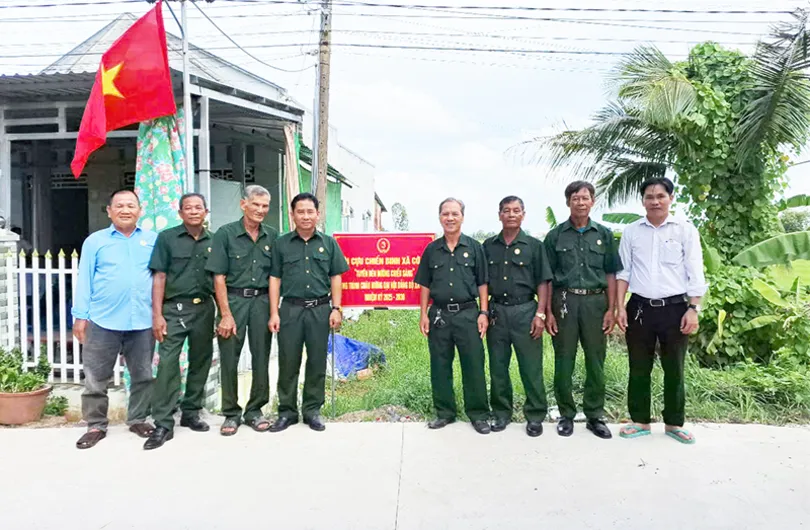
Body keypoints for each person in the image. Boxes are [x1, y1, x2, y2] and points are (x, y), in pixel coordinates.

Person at [616, 177, 707, 445]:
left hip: (675, 308)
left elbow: (695, 271)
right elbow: (624, 272)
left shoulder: (685, 230)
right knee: (638, 366)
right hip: (639, 308)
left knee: (674, 368)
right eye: (649, 197)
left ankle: (674, 423)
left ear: (670, 198)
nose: (654, 201)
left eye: (660, 196)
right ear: (642, 201)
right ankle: (640, 420)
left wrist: (693, 308)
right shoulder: (632, 231)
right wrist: (620, 307)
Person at [72, 189, 157, 449]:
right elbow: (84, 279)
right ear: (109, 211)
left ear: (140, 211)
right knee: (96, 378)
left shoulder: (153, 240)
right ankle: (96, 424)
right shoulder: (95, 241)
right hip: (102, 320)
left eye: (131, 205)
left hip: (142, 320)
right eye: (119, 205)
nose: (125, 210)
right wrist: (80, 316)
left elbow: (161, 278)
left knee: (143, 375)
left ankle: (138, 419)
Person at [544, 181, 621, 439]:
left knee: (595, 360)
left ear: (592, 201)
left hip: (595, 303)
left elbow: (611, 273)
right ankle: (566, 414)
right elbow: (547, 278)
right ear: (568, 202)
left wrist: (612, 309)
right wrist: (548, 312)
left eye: (585, 198)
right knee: (563, 360)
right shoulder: (555, 236)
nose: (580, 202)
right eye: (575, 198)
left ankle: (595, 415)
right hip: (564, 301)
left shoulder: (604, 234)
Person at [267, 193, 349, 433]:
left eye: (310, 211)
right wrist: (274, 312)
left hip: (320, 309)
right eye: (300, 212)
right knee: (288, 361)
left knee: (316, 361)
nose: (305, 216)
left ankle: (312, 411)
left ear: (317, 214)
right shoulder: (281, 244)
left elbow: (336, 277)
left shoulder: (328, 243)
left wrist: (336, 308)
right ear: (292, 214)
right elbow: (275, 278)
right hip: (290, 309)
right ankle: (287, 412)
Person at [143, 193, 215, 450]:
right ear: (180, 213)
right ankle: (163, 422)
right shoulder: (167, 238)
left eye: (198, 207)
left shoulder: (214, 240)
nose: (194, 211)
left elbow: (220, 278)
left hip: (204, 308)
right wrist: (157, 315)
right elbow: (159, 276)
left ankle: (191, 411)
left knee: (201, 361)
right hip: (174, 309)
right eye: (188, 208)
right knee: (168, 364)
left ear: (206, 212)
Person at [205, 185, 278, 436]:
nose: (260, 210)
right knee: (229, 358)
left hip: (262, 302)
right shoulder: (225, 234)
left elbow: (275, 277)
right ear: (243, 204)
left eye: (265, 206)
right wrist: (225, 314)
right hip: (233, 301)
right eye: (255, 204)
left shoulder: (272, 236)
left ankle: (255, 410)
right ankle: (231, 413)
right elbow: (218, 277)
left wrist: (274, 310)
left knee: (261, 356)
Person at [415, 198, 491, 435]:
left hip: (468, 314)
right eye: (445, 214)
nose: (450, 218)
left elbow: (483, 282)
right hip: (439, 315)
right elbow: (425, 284)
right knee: (440, 365)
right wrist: (423, 314)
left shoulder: (474, 247)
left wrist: (483, 312)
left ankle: (478, 414)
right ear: (440, 217)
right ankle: (444, 412)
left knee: (474, 365)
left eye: (454, 214)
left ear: (462, 217)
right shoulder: (432, 250)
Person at [483, 196, 552, 437]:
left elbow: (543, 281)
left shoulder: (534, 246)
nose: (511, 214)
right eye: (506, 210)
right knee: (498, 367)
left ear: (523, 214)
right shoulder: (488, 246)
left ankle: (535, 415)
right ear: (499, 215)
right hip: (497, 313)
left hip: (525, 311)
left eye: (516, 210)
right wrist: (484, 311)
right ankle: (501, 413)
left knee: (531, 367)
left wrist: (540, 314)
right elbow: (482, 282)